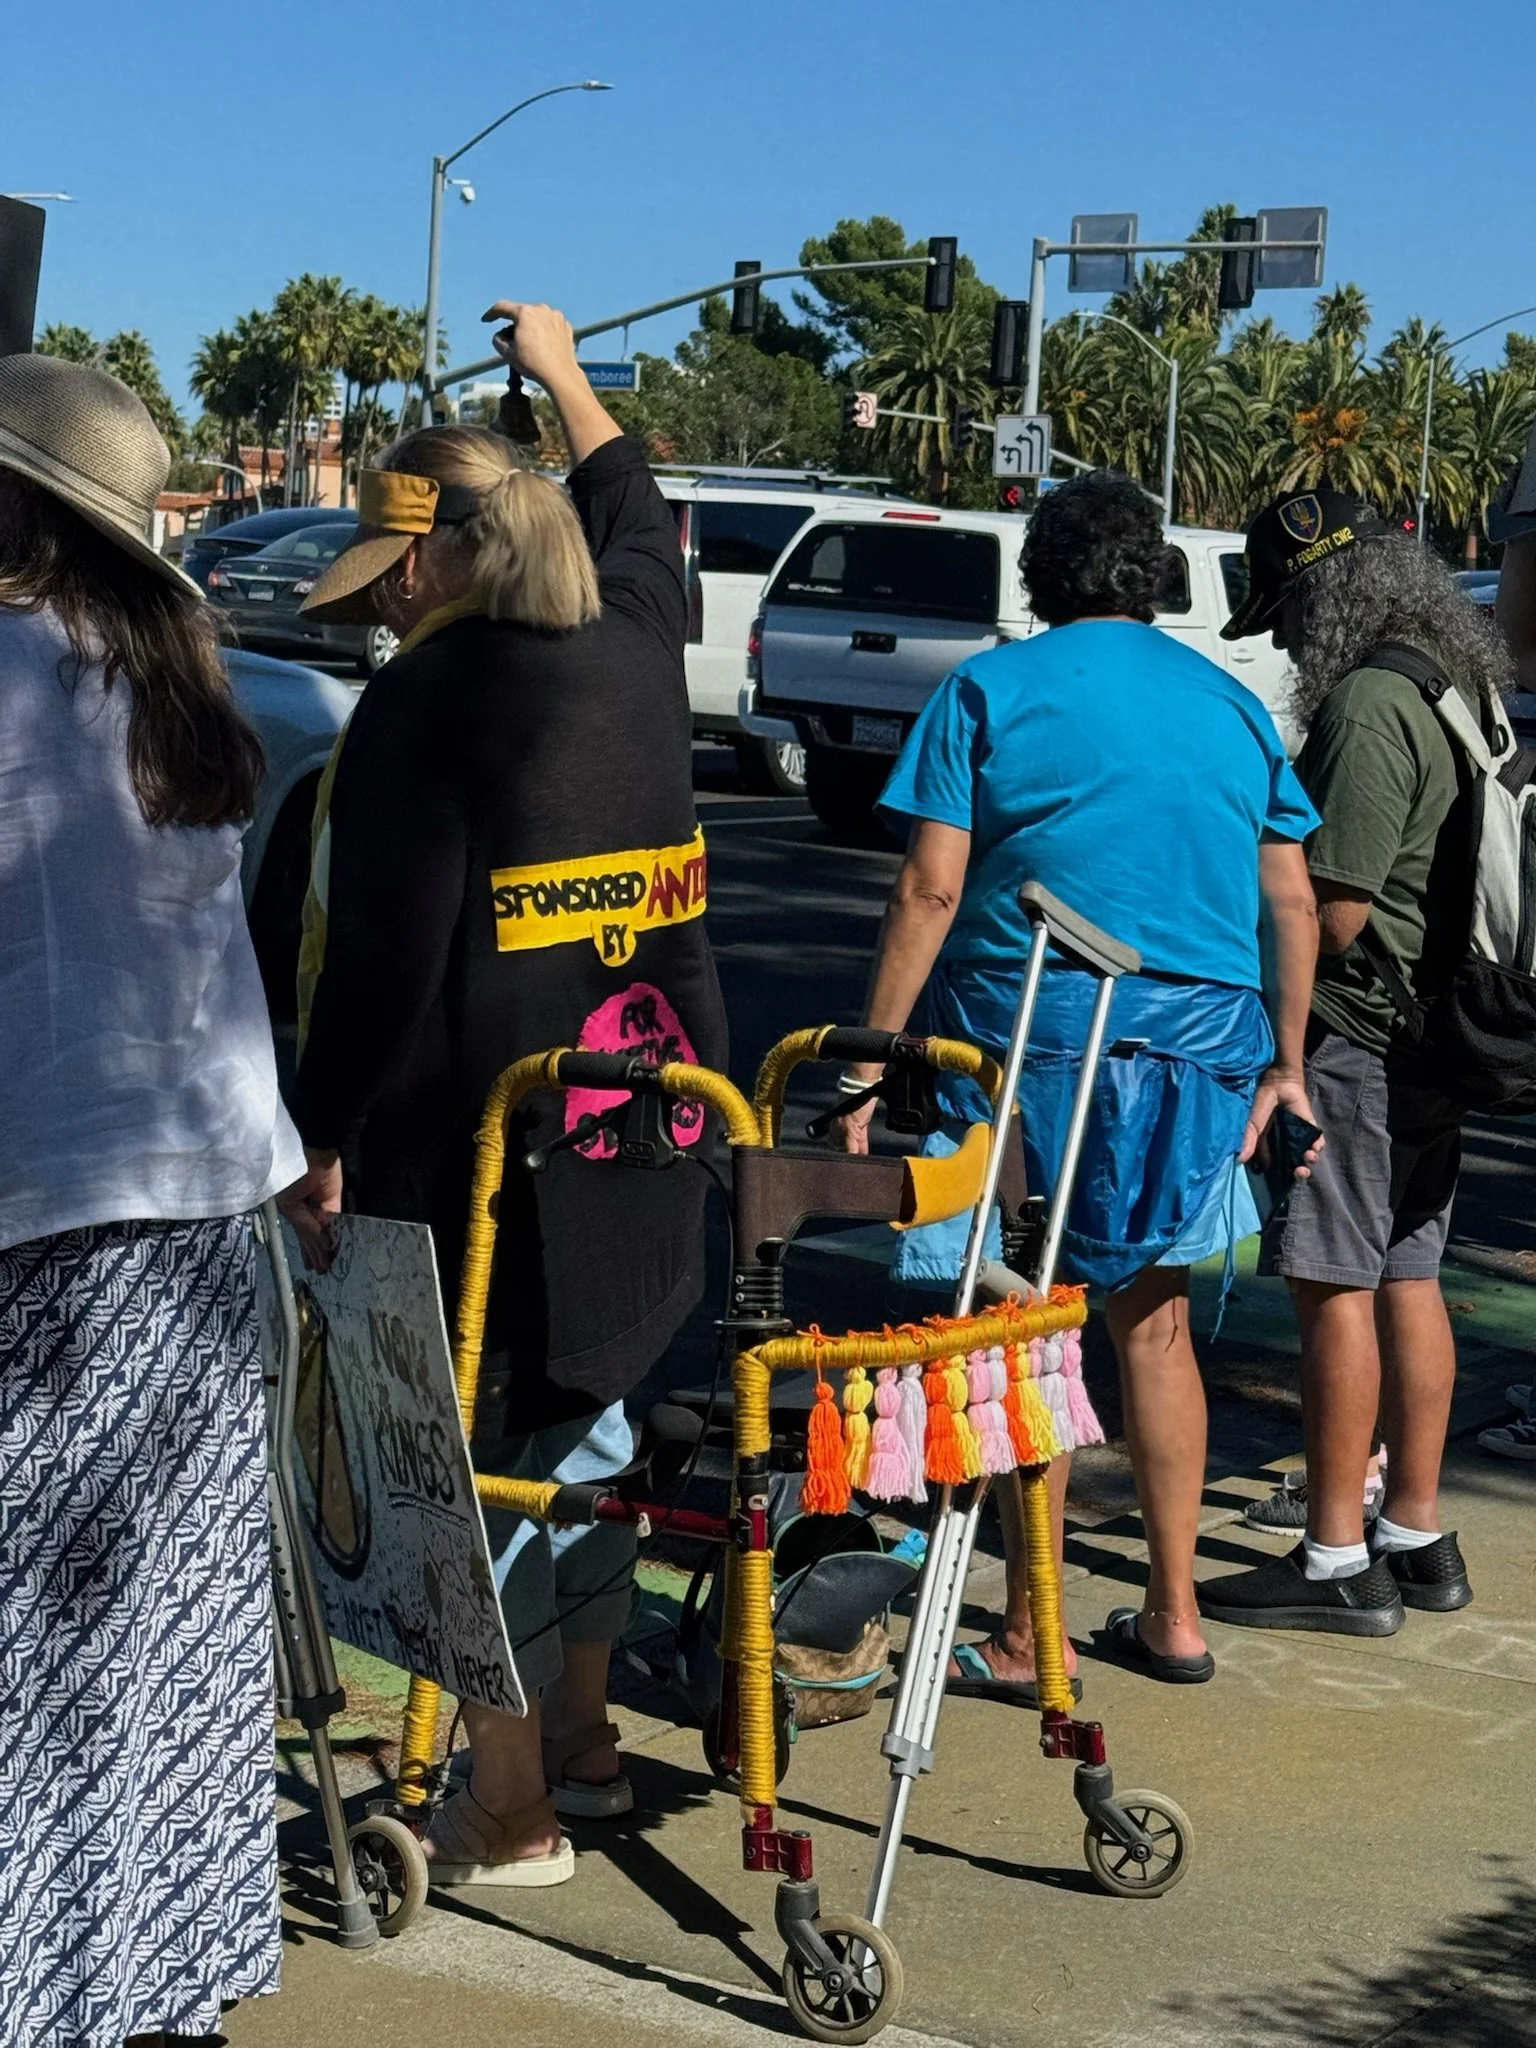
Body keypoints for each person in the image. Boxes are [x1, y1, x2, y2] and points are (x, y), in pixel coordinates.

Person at [286, 302, 726, 1886]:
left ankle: (511, 1798)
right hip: (651, 1134)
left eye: (382, 574)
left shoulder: (429, 700)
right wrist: (565, 372)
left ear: (425, 563)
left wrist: (311, 1139)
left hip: (481, 1166)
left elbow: (384, 970)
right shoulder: (640, 648)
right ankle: (591, 1746)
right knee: (586, 1441)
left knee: (459, 1478)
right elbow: (629, 506)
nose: (380, 604)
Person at [841, 470, 1321, 1688]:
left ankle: (1028, 1627)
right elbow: (1288, 896)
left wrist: (867, 1058)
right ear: (1152, 577)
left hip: (1031, 1030)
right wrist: (1287, 1063)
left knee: (1024, 1320)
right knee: (1153, 1323)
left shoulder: (989, 690)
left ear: (1038, 578)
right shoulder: (1230, 705)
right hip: (1200, 1041)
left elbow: (931, 889)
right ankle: (1176, 1611)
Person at [0, 353, 305, 2045]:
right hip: (195, 1222)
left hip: (48, 1217)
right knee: (163, 1655)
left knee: (28, 1663)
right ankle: (151, 1986)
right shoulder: (171, 666)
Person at [1200, 487, 1508, 1632]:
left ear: (1329, 592)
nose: (1284, 639)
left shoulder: (1370, 702)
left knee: (1334, 1284)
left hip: (1361, 1037)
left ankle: (1334, 1556)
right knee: (1411, 1274)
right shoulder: (1451, 677)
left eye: (1286, 612)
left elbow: (1329, 909)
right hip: (1434, 1034)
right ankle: (1416, 1531)